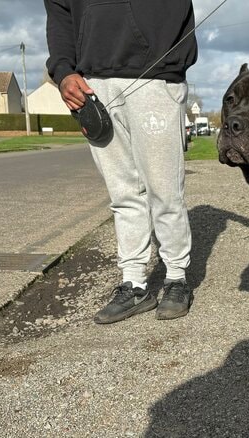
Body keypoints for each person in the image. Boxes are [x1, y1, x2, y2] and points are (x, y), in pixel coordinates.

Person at [44, 0, 197, 324]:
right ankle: (134, 284)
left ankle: (176, 278)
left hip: (156, 75)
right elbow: (59, 13)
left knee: (165, 189)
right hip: (92, 83)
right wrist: (63, 71)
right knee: (123, 193)